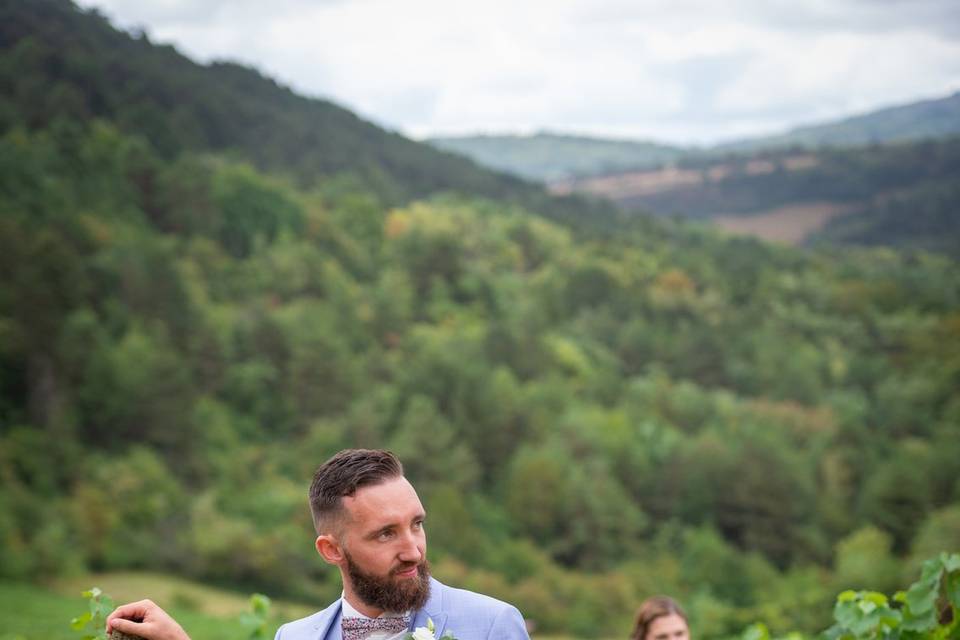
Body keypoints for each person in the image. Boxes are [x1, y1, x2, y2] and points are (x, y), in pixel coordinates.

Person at [108, 448, 530, 640]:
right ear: (331, 550)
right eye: (386, 533)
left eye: (416, 524)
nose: (414, 550)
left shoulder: (492, 625)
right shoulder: (293, 636)